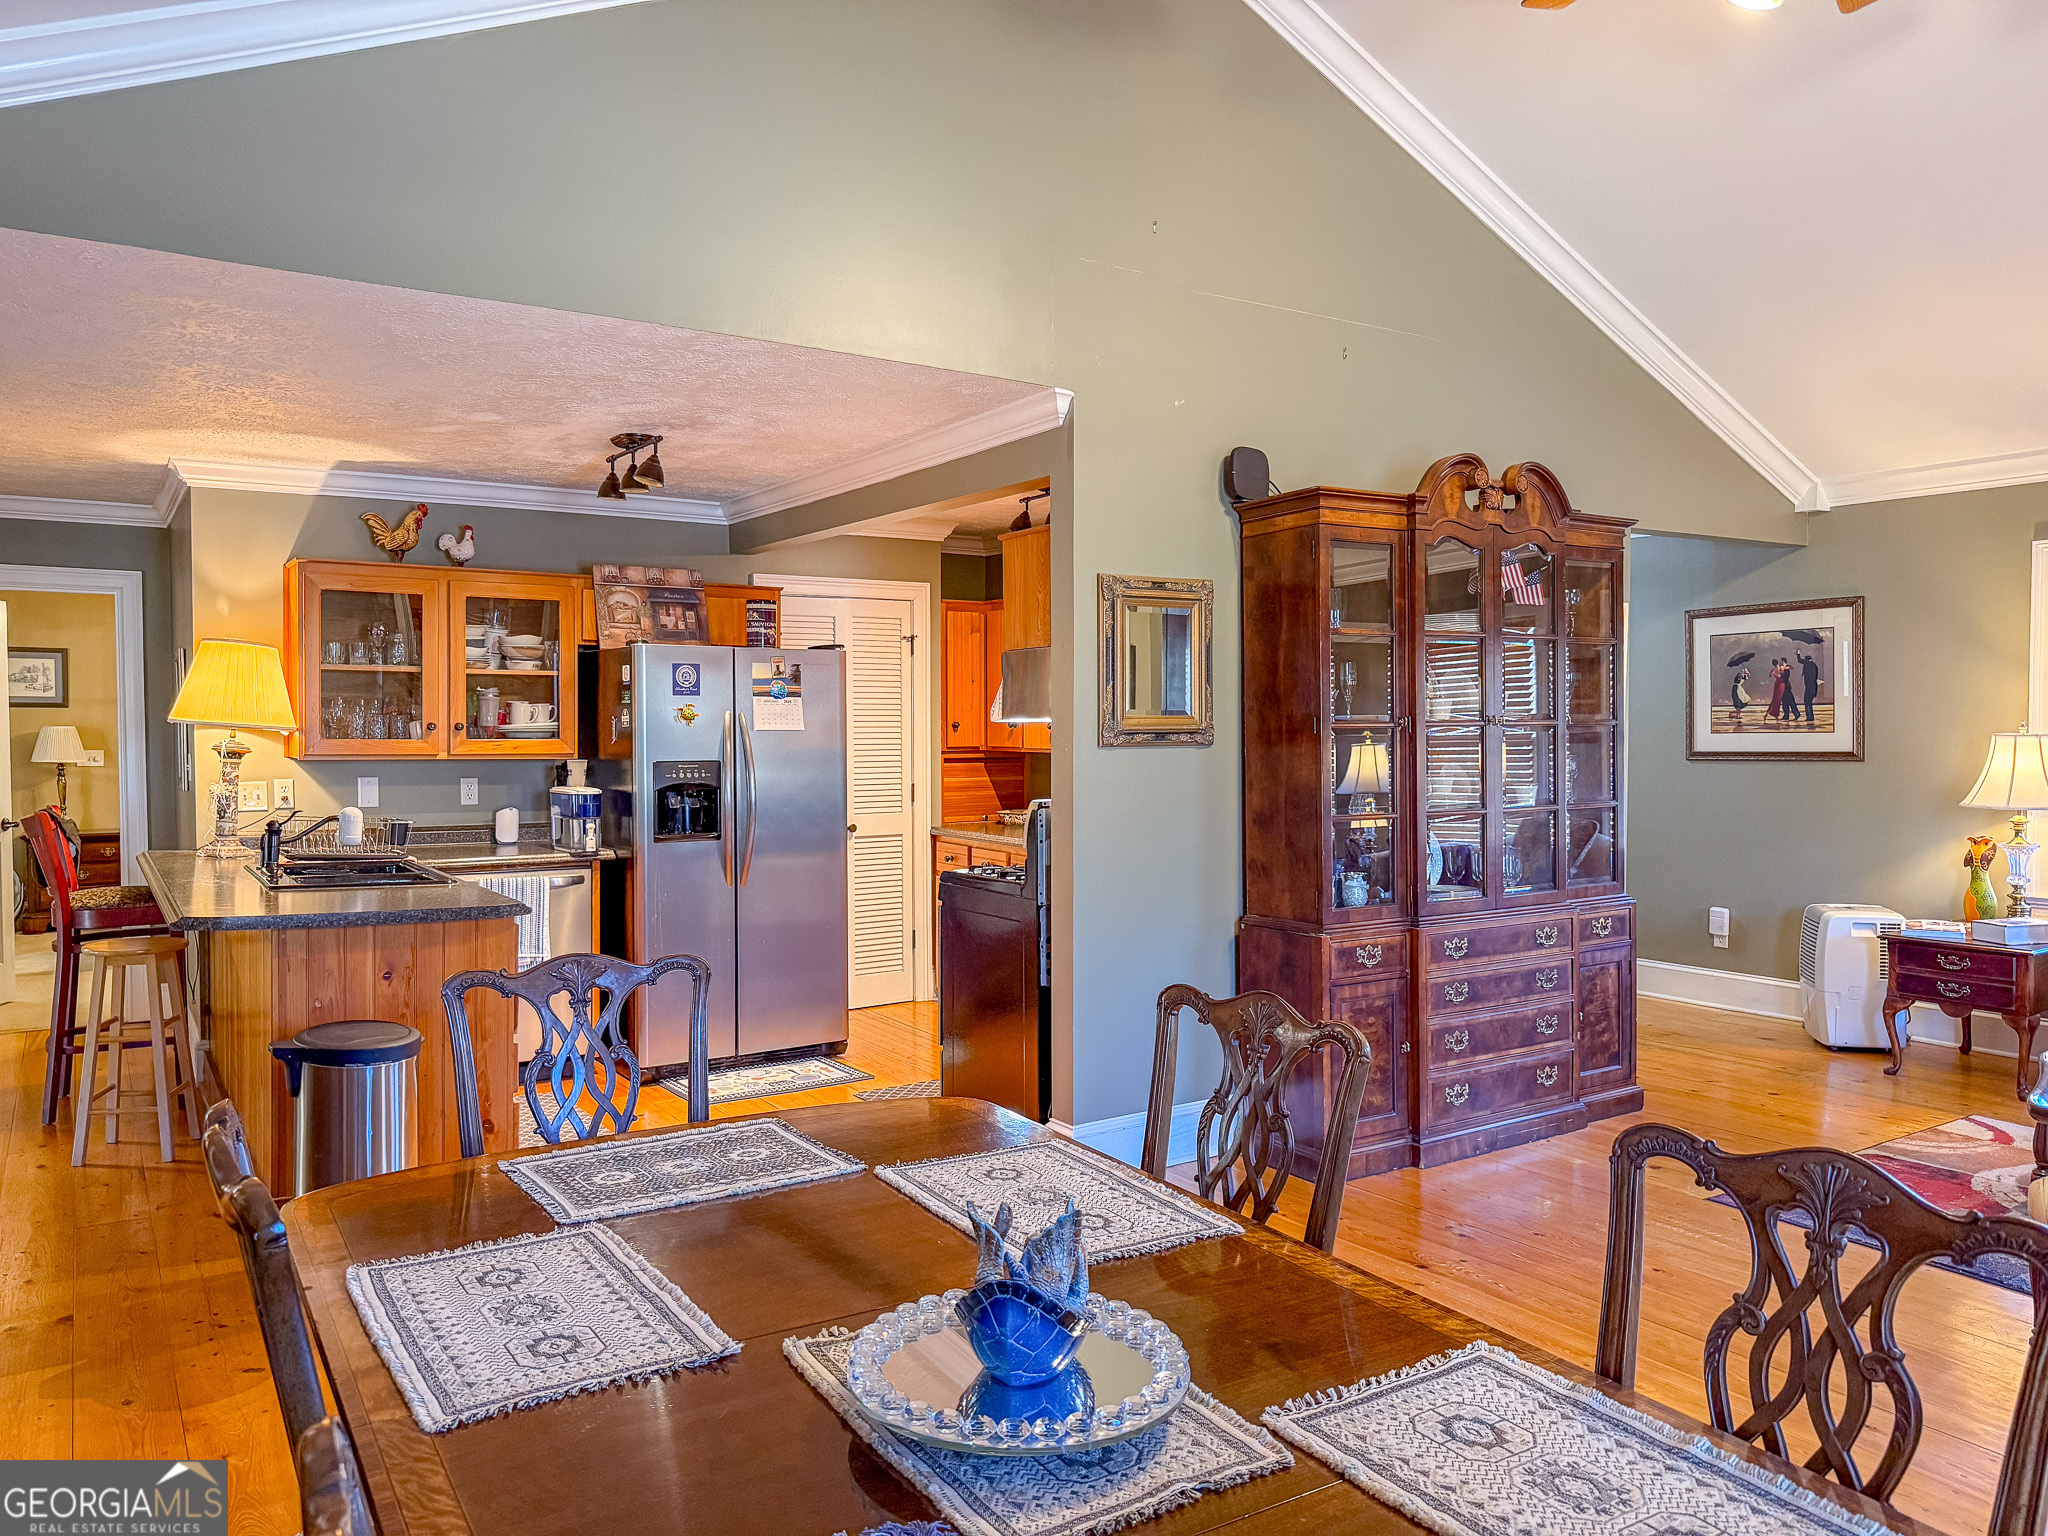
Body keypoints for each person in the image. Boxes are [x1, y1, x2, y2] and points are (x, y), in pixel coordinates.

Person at [1797, 651, 1821, 724]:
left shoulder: (1808, 664)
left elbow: (1800, 660)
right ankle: (1810, 716)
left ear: (1807, 660)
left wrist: (1798, 653)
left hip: (1809, 687)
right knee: (1809, 702)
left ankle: (1809, 717)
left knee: (1807, 701)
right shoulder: (1814, 665)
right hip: (1813, 687)